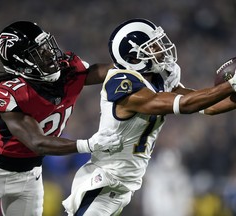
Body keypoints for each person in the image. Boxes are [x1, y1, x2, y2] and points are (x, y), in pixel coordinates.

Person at [62, 18, 236, 215]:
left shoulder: (159, 77)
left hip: (125, 183)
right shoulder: (123, 84)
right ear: (134, 57)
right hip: (105, 181)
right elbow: (186, 105)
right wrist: (231, 84)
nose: (161, 49)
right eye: (152, 46)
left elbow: (207, 106)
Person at [0, 21, 121, 216]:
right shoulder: (12, 93)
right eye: (38, 52)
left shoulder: (68, 71)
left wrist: (134, 67)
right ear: (20, 63)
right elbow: (37, 142)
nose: (50, 54)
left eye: (46, 46)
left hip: (30, 174)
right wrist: (89, 144)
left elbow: (95, 72)